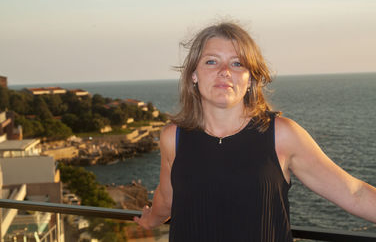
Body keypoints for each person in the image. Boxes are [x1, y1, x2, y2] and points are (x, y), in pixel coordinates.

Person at [133, 22, 376, 241]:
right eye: (211, 61)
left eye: (237, 63)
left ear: (250, 79)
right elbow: (167, 199)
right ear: (194, 75)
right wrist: (149, 220)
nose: (225, 70)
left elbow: (353, 192)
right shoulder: (173, 137)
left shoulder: (281, 135)